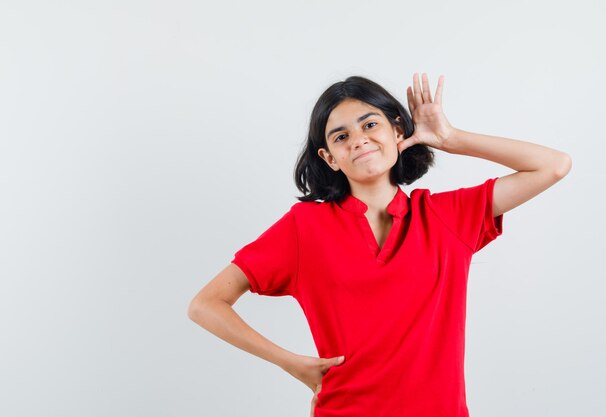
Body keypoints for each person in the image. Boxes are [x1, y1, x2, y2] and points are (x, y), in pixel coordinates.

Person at [187, 72, 572, 417]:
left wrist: (450, 138)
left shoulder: (446, 216)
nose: (359, 140)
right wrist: (291, 363)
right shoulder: (304, 228)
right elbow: (205, 305)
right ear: (330, 158)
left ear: (398, 132)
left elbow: (553, 165)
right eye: (341, 136)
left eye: (370, 124)